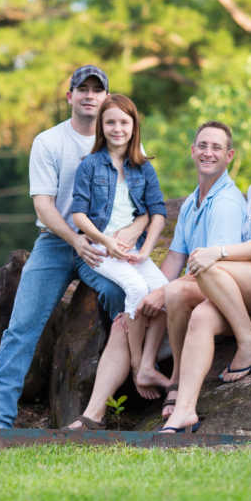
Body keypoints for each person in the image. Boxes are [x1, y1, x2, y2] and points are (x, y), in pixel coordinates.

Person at [0, 65, 127, 429]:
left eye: (97, 90)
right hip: (56, 242)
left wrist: (108, 241)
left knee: (121, 299)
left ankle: (116, 405)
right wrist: (74, 239)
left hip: (102, 244)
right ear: (70, 97)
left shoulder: (121, 136)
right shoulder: (49, 142)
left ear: (106, 97)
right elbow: (43, 205)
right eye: (83, 89)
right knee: (22, 325)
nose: (90, 95)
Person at [159, 117, 251, 433]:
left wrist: (219, 252)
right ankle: (184, 410)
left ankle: (249, 341)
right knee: (196, 312)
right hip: (240, 285)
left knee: (205, 262)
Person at [64, 94, 170, 430]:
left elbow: (157, 214)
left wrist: (145, 248)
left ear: (134, 126)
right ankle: (140, 364)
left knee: (164, 290)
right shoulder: (90, 165)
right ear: (101, 126)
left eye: (124, 122)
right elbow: (77, 213)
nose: (117, 128)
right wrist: (107, 241)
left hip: (134, 250)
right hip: (100, 250)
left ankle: (148, 362)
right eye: (110, 122)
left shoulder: (143, 167)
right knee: (136, 288)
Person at [136, 121, 247, 421]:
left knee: (171, 292)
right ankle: (128, 383)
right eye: (203, 146)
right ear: (192, 151)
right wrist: (149, 291)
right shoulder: (191, 202)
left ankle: (175, 379)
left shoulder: (226, 202)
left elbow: (214, 268)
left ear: (230, 155)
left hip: (222, 292)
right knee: (135, 308)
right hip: (195, 285)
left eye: (217, 148)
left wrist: (162, 292)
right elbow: (175, 258)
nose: (208, 153)